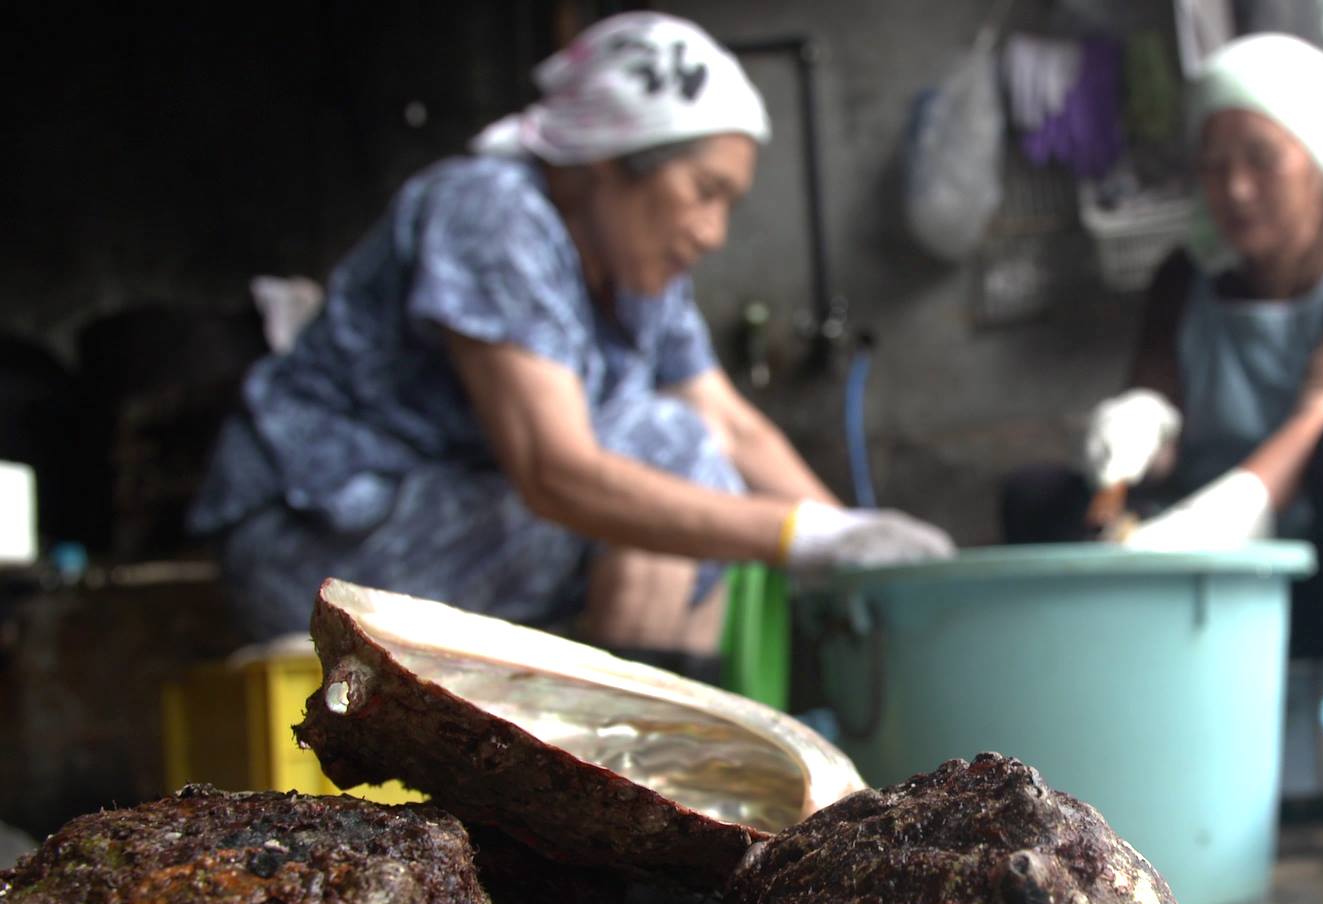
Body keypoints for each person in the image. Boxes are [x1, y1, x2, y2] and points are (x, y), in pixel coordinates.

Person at [190, 13, 952, 654]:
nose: (714, 232)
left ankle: (662, 771)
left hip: (447, 526)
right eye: (704, 193)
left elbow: (733, 425)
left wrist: (861, 547)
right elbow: (554, 471)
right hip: (313, 546)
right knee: (674, 452)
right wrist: (801, 538)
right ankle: (624, 774)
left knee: (698, 452)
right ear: (610, 167)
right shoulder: (492, 213)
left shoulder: (640, 272)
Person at [1002, 33, 1323, 697]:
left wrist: (1223, 518)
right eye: (1213, 165)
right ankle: (1097, 713)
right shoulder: (1186, 277)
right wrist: (1137, 432)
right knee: (1039, 497)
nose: (1235, 189)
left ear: (1321, 155)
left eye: (1262, 160)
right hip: (1231, 588)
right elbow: (1160, 426)